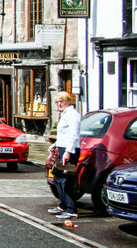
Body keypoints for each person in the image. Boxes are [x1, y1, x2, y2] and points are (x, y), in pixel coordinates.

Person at [49, 91, 81, 220]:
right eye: (57, 102)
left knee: (66, 180)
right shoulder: (65, 114)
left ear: (68, 101)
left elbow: (74, 135)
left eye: (61, 101)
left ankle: (71, 209)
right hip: (62, 148)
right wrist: (56, 144)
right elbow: (64, 134)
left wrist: (68, 151)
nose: (59, 104)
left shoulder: (73, 115)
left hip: (70, 150)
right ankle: (63, 205)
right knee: (57, 177)